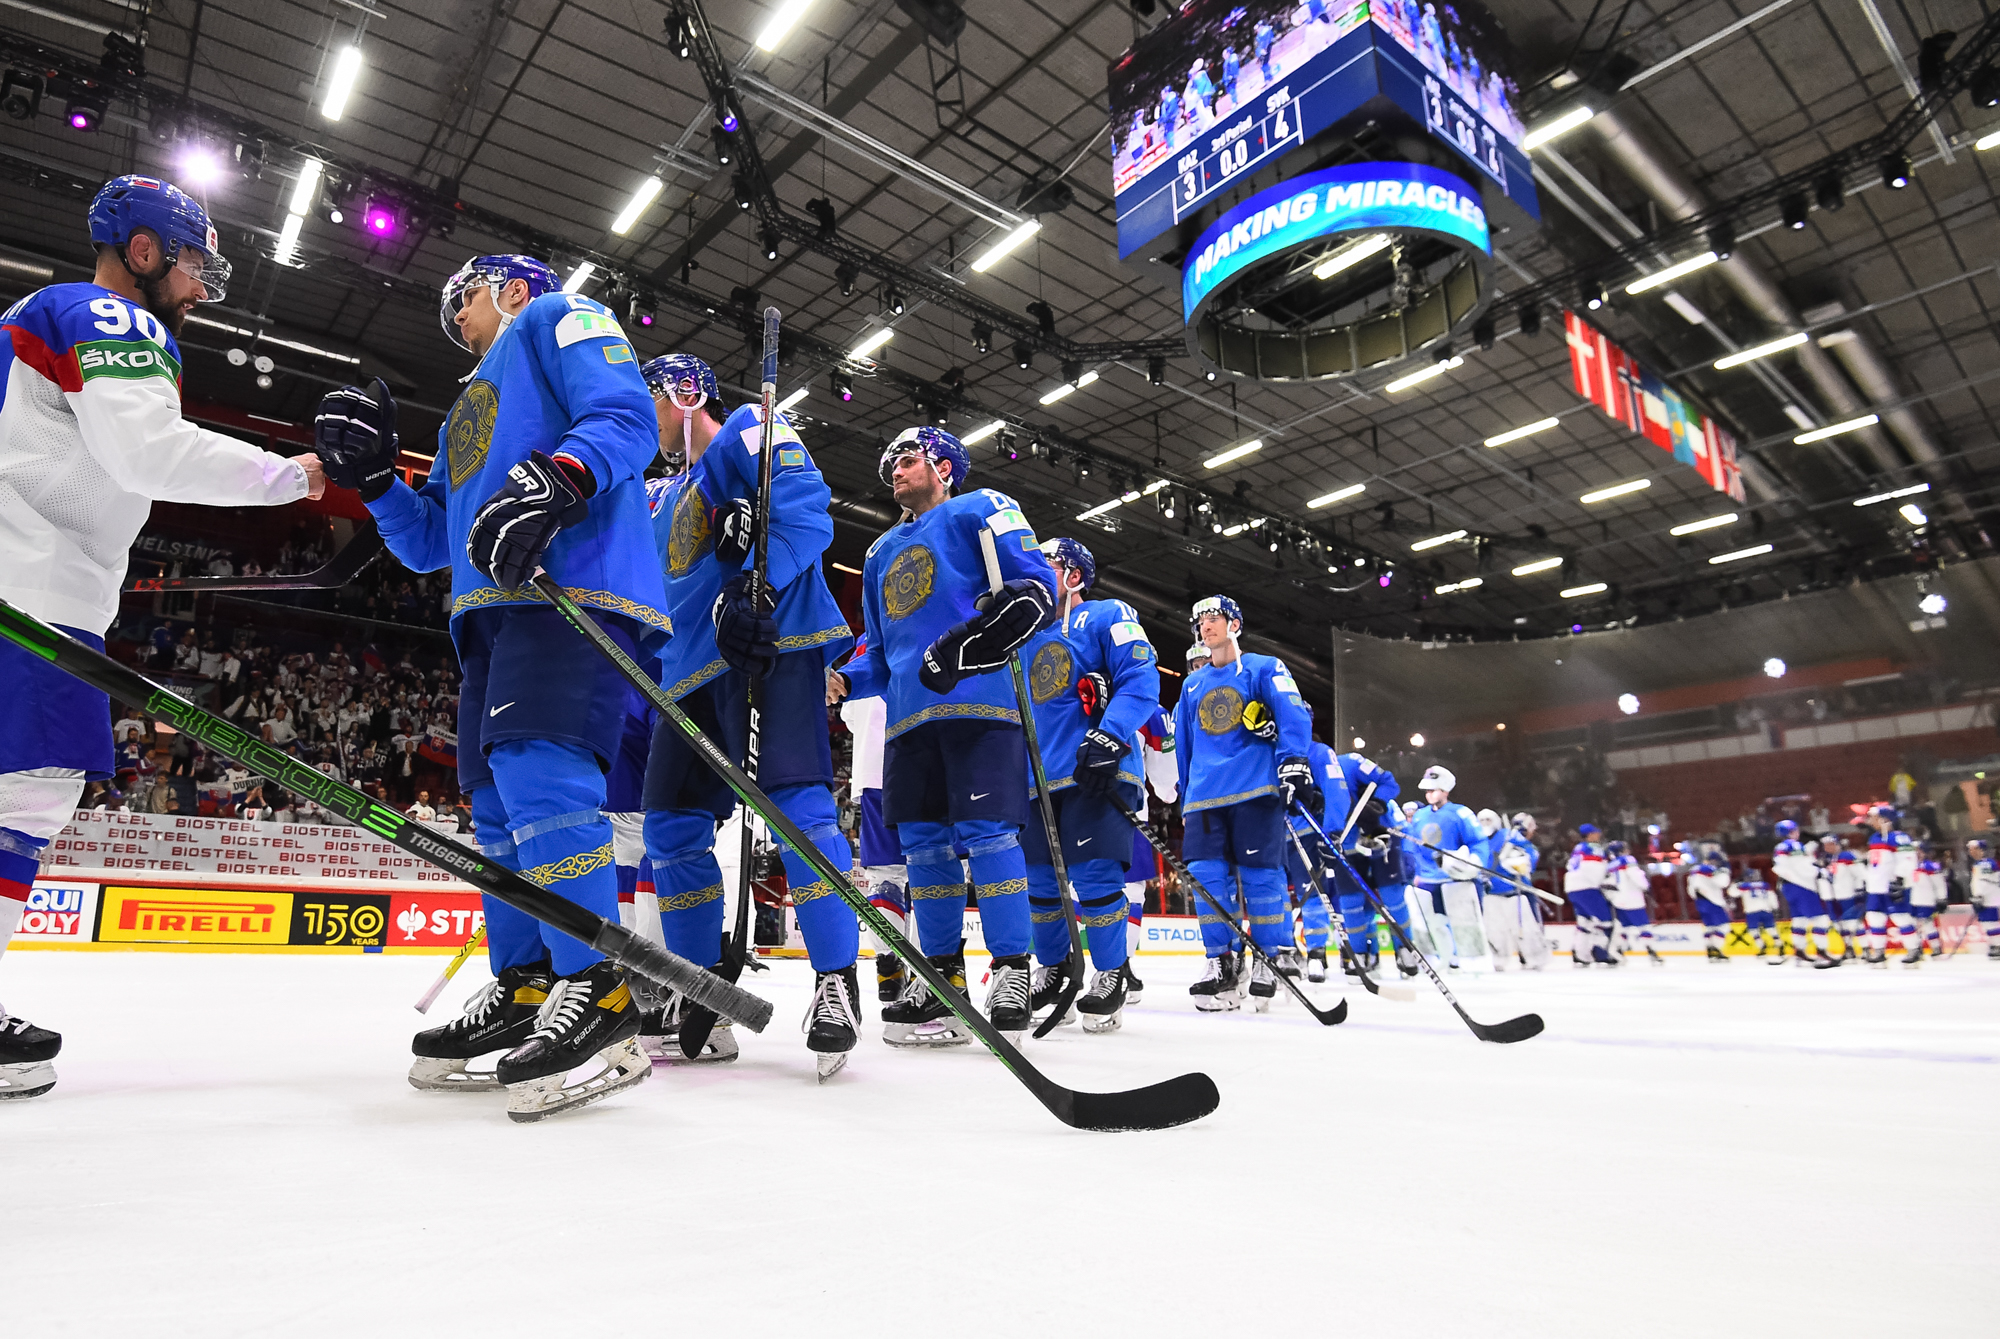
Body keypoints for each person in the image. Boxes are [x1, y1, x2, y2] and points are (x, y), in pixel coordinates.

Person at [314, 252, 665, 1121]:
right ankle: (527, 981)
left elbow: (627, 416)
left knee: (543, 771)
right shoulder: (464, 409)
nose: (454, 320)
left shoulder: (557, 317)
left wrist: (562, 477)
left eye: (461, 299)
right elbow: (428, 540)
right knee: (498, 809)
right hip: (486, 610)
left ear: (509, 289)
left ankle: (599, 983)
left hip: (570, 583)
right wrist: (376, 482)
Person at [0, 173, 324, 1101]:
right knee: (28, 796)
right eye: (190, 267)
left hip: (25, 579)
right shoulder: (107, 315)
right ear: (141, 251)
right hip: (36, 593)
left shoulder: (25, 315)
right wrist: (290, 476)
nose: (198, 291)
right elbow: (149, 452)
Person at [635, 354, 861, 1078]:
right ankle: (702, 985)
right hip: (687, 671)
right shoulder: (658, 493)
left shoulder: (747, 427)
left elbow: (806, 511)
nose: (643, 416)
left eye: (650, 399)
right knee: (670, 828)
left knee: (797, 808)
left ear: (684, 392)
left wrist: (754, 588)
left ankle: (837, 981)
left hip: (770, 642)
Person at [826, 426, 1056, 1046]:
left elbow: (1035, 591)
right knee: (924, 849)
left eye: (906, 459)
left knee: (988, 835)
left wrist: (981, 639)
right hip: (907, 719)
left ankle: (1010, 970)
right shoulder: (879, 552)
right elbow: (879, 650)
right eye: (890, 465)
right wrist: (845, 679)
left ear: (944, 466)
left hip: (980, 707)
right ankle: (941, 977)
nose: (894, 472)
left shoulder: (984, 508)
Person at [1015, 536, 1159, 1033]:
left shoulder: (1107, 615)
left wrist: (1109, 732)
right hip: (1037, 780)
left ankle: (1111, 972)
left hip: (1096, 767)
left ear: (1073, 576)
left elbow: (1140, 678)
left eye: (1046, 564)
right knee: (1039, 882)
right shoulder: (1024, 636)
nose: (1033, 572)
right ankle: (1054, 969)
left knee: (1096, 874)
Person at [1173, 595, 1312, 1011]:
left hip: (1255, 789)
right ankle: (1222, 960)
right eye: (1199, 621)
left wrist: (1292, 759)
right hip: (1205, 796)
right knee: (1205, 878)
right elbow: (1185, 745)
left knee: (1260, 875)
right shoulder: (1191, 685)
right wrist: (1186, 796)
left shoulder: (1265, 668)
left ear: (1234, 624)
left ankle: (1273, 955)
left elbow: (1293, 713)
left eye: (1213, 617)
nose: (1205, 625)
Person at [837, 653, 910, 1005]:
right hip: (927, 762)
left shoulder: (864, 650)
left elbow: (849, 716)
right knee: (931, 869)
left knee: (884, 877)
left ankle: (889, 970)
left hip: (874, 773)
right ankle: (933, 975)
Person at [1402, 765, 1486, 969]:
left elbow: (1478, 842)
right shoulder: (1419, 816)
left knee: (1463, 922)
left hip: (1454, 879)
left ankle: (1471, 960)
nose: (1429, 794)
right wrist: (1413, 871)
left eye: (1434, 789)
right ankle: (1436, 957)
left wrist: (1474, 861)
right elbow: (1412, 847)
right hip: (1427, 880)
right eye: (1427, 790)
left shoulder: (1461, 814)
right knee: (1428, 923)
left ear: (1446, 790)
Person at [1486, 812, 1550, 970]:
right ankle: (1501, 959)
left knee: (1524, 927)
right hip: (1497, 892)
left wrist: (1518, 862)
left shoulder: (1510, 837)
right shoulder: (1496, 838)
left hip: (1513, 890)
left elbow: (1529, 861)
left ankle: (1531, 957)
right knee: (1497, 929)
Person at [1861, 804, 1917, 968]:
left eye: (1875, 818)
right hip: (1875, 887)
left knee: (1901, 917)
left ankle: (1913, 949)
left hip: (1892, 885)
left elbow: (1908, 860)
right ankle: (1879, 952)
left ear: (1886, 819)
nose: (1871, 821)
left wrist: (1899, 879)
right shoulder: (1874, 838)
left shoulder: (1899, 838)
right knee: (1874, 917)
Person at [1772, 819, 1833, 967]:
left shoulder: (1779, 847)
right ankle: (1821, 953)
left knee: (1799, 920)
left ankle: (1799, 952)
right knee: (1819, 919)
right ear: (1791, 831)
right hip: (1802, 886)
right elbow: (1802, 866)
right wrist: (1819, 871)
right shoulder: (1794, 845)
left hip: (1788, 887)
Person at [1604, 839, 1662, 964]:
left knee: (1623, 927)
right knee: (1643, 926)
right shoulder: (1627, 860)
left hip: (1619, 899)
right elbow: (1635, 875)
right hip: (1632, 898)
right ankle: (1651, 950)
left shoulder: (1610, 865)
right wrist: (1645, 886)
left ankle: (1617, 951)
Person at [1564, 824, 1614, 965]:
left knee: (1584, 922)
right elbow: (1594, 869)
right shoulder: (1593, 848)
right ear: (1590, 835)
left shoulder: (1578, 848)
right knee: (1604, 920)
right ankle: (1600, 952)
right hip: (1587, 887)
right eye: (1596, 832)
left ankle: (1581, 954)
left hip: (1572, 888)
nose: (1599, 835)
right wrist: (1604, 882)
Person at [1896, 843, 1945, 966]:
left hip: (1926, 899)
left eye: (1919, 851)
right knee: (1914, 925)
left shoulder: (1931, 866)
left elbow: (1940, 884)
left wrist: (1942, 898)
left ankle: (1936, 947)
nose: (1917, 853)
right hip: (1912, 900)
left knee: (1927, 924)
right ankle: (1917, 948)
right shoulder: (1909, 866)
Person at [1821, 834, 1863, 961]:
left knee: (1853, 923)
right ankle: (1848, 949)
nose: (1828, 847)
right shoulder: (1824, 860)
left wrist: (1859, 890)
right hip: (1831, 897)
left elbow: (1860, 873)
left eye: (1831, 844)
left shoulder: (1847, 856)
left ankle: (1865, 949)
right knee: (1839, 924)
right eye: (1826, 845)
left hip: (1847, 895)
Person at [1735, 865, 1781, 957]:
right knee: (1771, 929)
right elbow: (1772, 896)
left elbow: (1732, 893)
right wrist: (1775, 907)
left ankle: (1761, 946)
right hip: (1766, 909)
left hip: (1752, 911)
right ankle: (1780, 946)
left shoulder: (1744, 886)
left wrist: (1736, 884)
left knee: (1753, 931)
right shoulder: (1765, 885)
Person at [1968, 838, 1999, 960]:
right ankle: (1994, 944)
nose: (1972, 852)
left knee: (1990, 922)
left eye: (1975, 849)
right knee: (1987, 923)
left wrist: (1979, 896)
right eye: (1970, 849)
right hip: (1985, 899)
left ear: (1982, 850)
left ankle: (1997, 945)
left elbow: (1984, 883)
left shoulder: (1986, 864)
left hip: (1990, 899)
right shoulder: (1978, 864)